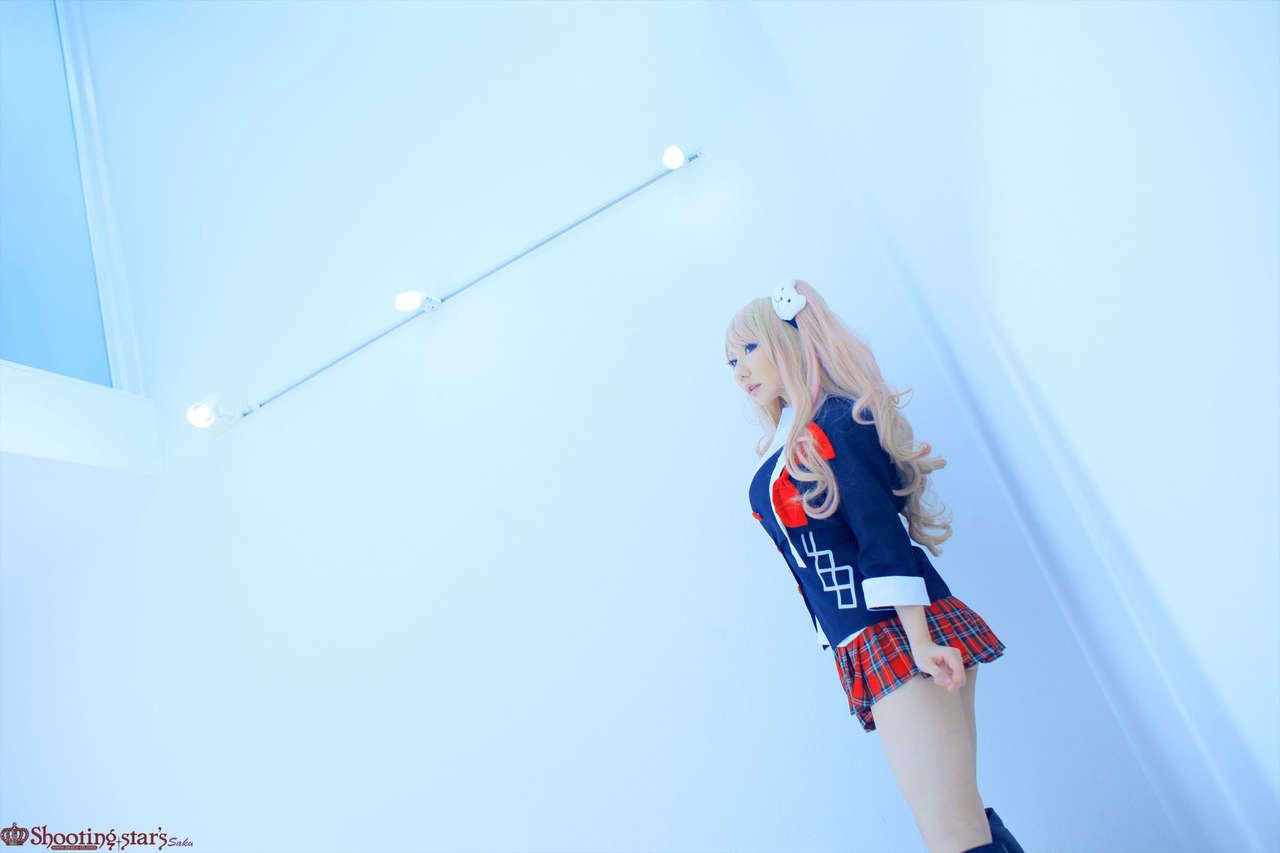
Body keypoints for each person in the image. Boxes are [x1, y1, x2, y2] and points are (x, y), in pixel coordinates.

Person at [726, 279, 1027, 853]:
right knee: (959, 822)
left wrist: (920, 641)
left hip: (900, 633)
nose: (740, 369)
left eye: (749, 348)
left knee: (954, 831)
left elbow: (880, 534)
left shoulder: (837, 422)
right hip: (871, 639)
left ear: (787, 342)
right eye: (730, 360)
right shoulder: (794, 438)